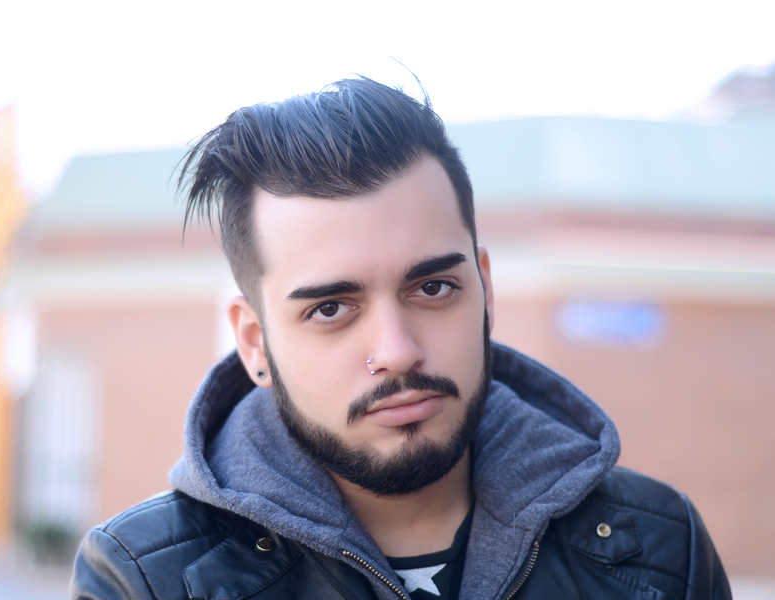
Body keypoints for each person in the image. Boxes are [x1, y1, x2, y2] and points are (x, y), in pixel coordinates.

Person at [70, 77, 730, 600]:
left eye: (433, 288)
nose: (397, 350)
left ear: (485, 290)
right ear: (254, 343)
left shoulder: (663, 550)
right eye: (332, 308)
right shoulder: (144, 580)